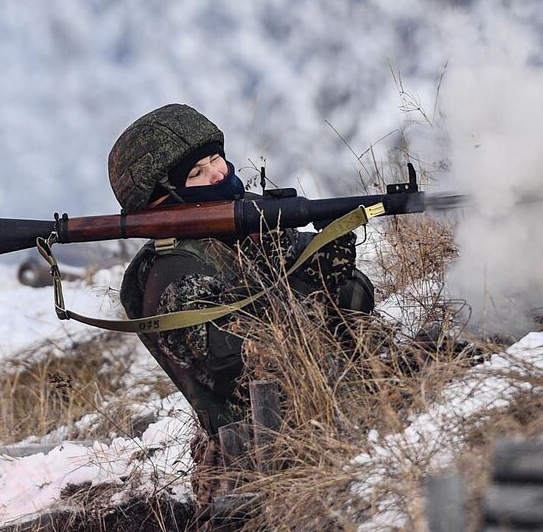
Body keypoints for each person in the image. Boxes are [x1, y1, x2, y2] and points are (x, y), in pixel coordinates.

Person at [108, 104, 375, 493]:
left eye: (216, 159)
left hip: (339, 417)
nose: (218, 174)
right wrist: (314, 292)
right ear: (164, 200)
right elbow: (254, 364)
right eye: (197, 173)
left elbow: (352, 301)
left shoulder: (241, 231)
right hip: (263, 471)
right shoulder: (176, 275)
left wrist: (329, 266)